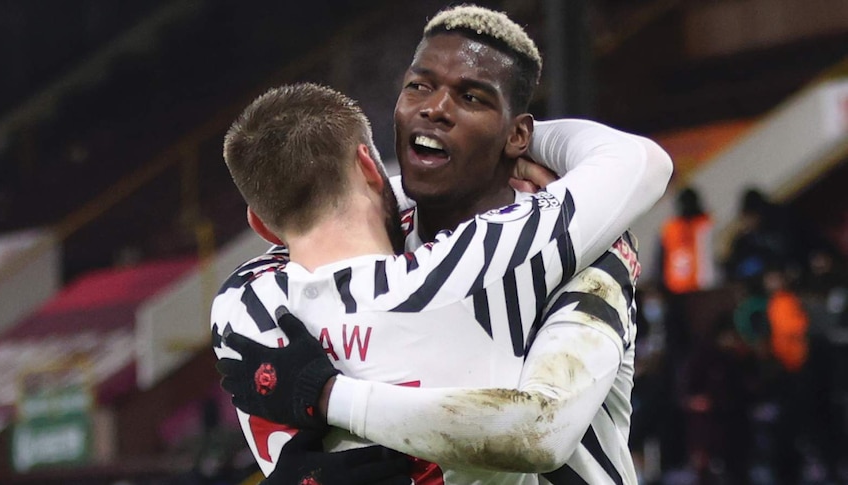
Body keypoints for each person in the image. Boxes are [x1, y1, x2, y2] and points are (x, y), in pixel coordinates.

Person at [213, 6, 672, 484]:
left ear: (517, 133)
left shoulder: (586, 253)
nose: (435, 108)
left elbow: (542, 430)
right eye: (419, 86)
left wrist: (328, 395)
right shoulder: (368, 240)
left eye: (472, 97)